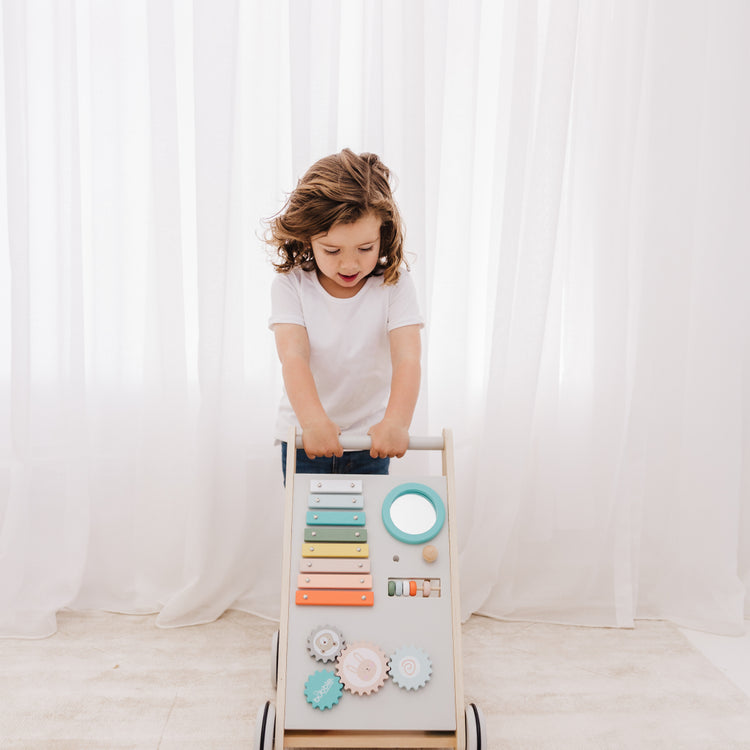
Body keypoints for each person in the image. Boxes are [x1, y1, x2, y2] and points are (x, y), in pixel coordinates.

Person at [267, 149, 423, 478]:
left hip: (369, 442)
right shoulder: (291, 285)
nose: (349, 264)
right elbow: (293, 357)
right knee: (309, 530)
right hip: (304, 439)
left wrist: (396, 422)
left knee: (364, 529)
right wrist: (313, 422)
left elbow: (407, 358)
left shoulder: (395, 285)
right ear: (308, 238)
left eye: (365, 249)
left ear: (383, 235)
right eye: (333, 250)